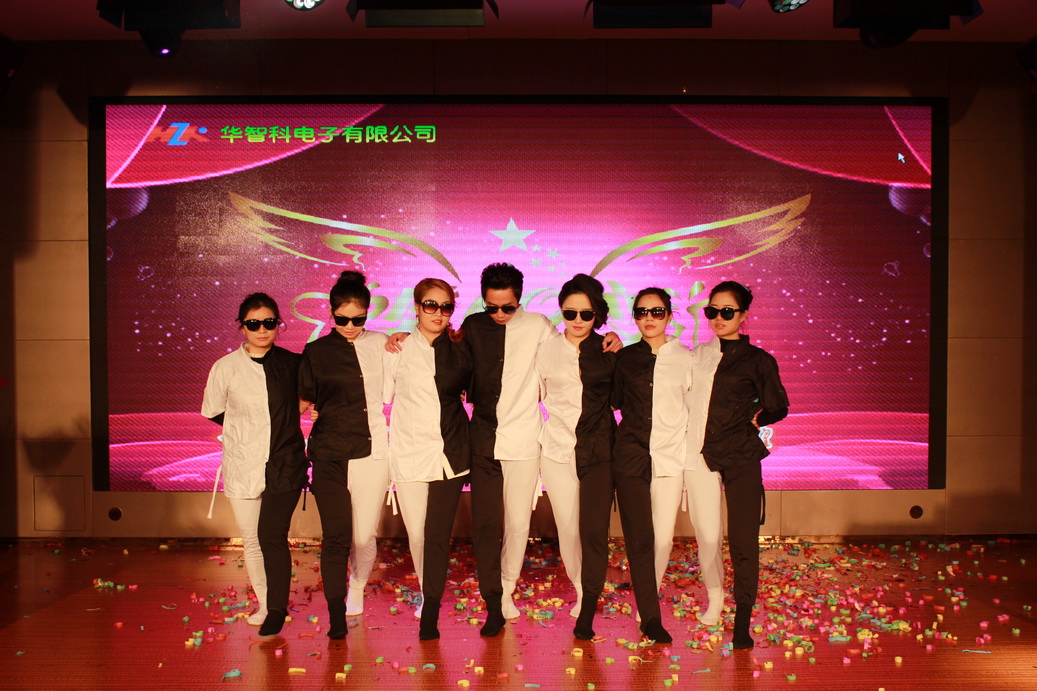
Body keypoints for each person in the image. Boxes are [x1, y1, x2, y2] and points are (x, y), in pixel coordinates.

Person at [388, 263, 620, 635]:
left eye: (507, 307)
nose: (498, 314)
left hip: (524, 440)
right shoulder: (472, 327)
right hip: (482, 440)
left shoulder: (539, 327)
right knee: (485, 525)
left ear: (519, 300)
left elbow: (573, 345)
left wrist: (611, 338)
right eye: (491, 307)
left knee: (517, 523)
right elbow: (439, 351)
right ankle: (492, 601)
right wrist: (402, 336)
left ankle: (507, 588)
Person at [686, 280, 789, 650]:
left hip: (742, 455)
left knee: (743, 539)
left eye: (727, 312)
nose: (718, 318)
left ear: (743, 315)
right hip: (702, 454)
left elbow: (778, 406)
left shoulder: (759, 360)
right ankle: (716, 597)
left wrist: (755, 419)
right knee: (708, 535)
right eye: (712, 311)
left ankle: (742, 617)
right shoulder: (698, 355)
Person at [201, 293, 309, 635]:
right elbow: (213, 409)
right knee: (251, 538)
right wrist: (246, 431)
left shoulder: (293, 364)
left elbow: (309, 396)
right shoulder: (225, 367)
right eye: (253, 323)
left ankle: (275, 607)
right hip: (243, 462)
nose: (262, 329)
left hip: (285, 460)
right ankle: (264, 603)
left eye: (269, 322)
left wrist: (284, 420)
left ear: (279, 324)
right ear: (242, 327)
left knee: (271, 534)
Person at [622, 288, 724, 628]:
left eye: (656, 311)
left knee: (665, 537)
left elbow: (701, 405)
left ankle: (707, 596)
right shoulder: (625, 358)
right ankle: (648, 601)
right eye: (642, 312)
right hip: (636, 458)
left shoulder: (687, 359)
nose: (649, 318)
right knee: (646, 537)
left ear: (668, 315)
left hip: (672, 458)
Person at [297, 271, 390, 639]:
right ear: (330, 312)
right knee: (337, 536)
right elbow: (303, 399)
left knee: (364, 536)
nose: (350, 326)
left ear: (368, 313)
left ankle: (357, 585)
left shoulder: (383, 344)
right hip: (329, 452)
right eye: (342, 319)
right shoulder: (316, 351)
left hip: (372, 451)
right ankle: (336, 615)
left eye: (358, 319)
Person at [384, 278, 473, 640]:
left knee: (436, 534)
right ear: (417, 308)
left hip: (450, 451)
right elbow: (383, 394)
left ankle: (430, 609)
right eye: (430, 305)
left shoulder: (462, 349)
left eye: (446, 306)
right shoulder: (397, 349)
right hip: (408, 451)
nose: (438, 313)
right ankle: (427, 591)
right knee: (418, 534)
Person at [535, 274, 617, 640]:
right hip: (557, 450)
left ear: (597, 313)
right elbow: (534, 392)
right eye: (570, 313)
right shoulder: (546, 349)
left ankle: (588, 605)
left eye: (586, 313)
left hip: (600, 450)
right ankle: (582, 589)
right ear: (561, 311)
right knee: (568, 530)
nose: (578, 320)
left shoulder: (610, 349)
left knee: (594, 531)